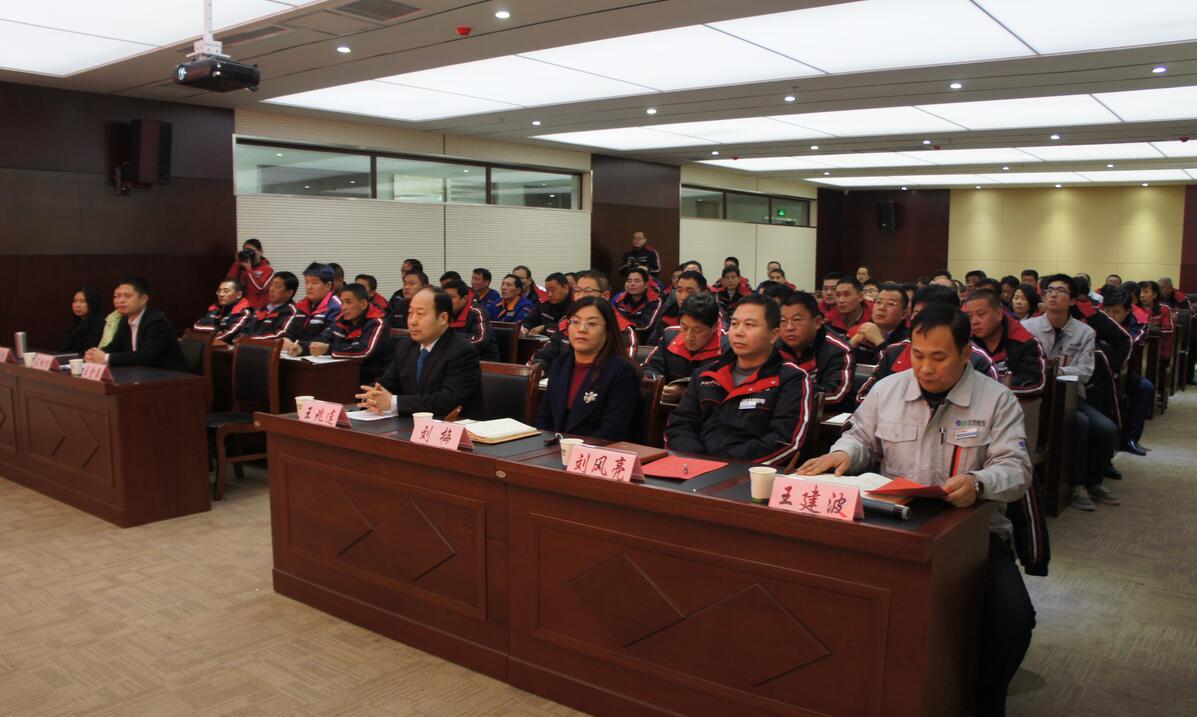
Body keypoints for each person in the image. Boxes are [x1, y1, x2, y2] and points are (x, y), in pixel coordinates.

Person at [798, 303, 1034, 717]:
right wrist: (843, 454)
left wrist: (978, 482)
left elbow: (1017, 471)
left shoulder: (996, 400)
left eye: (939, 357)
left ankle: (979, 700)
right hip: (895, 525)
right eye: (918, 355)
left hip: (972, 535)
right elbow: (860, 438)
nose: (925, 368)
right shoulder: (888, 389)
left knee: (1013, 620)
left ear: (965, 353)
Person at [665, 294, 814, 466]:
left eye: (749, 325)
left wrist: (724, 465)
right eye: (735, 324)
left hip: (750, 474)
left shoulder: (791, 379)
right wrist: (699, 462)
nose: (738, 332)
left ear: (773, 335)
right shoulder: (705, 374)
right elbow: (679, 426)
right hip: (694, 468)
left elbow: (785, 440)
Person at [1023, 275, 1120, 511]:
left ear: (1073, 300)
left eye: (1061, 291)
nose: (1053, 294)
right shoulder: (1028, 328)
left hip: (1070, 395)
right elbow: (1028, 367)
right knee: (1080, 423)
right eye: (1050, 290)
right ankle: (1076, 485)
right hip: (1038, 396)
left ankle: (1093, 481)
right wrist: (1054, 370)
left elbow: (1084, 372)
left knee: (1106, 428)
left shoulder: (1084, 332)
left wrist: (1052, 370)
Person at [356, 287, 483, 417]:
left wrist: (393, 402)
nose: (413, 321)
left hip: (453, 424)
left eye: (420, 314)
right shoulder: (405, 346)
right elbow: (389, 381)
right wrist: (373, 395)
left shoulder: (462, 351)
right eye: (410, 313)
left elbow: (446, 401)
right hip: (410, 422)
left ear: (443, 318)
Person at [856, 285, 998, 402]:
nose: (926, 369)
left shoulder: (978, 360)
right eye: (917, 314)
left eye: (939, 358)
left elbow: (990, 408)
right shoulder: (894, 352)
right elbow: (865, 398)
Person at [536, 297, 640, 441]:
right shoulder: (560, 364)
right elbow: (544, 419)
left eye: (592, 323)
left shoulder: (622, 371)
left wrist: (573, 450)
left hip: (596, 450)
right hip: (555, 448)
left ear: (608, 330)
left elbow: (612, 431)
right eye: (575, 322)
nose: (581, 329)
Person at [529, 271, 639, 368]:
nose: (580, 296)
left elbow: (624, 370)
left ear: (605, 296)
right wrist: (539, 369)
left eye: (587, 291)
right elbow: (544, 355)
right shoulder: (566, 322)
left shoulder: (623, 330)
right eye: (577, 291)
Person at [85, 277, 185, 371]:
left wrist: (106, 357)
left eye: (127, 296)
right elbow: (114, 346)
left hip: (168, 376)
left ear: (143, 299)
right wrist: (94, 354)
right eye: (118, 296)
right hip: (140, 373)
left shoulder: (156, 321)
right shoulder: (125, 319)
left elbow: (144, 356)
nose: (120, 300)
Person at [777, 291, 854, 407]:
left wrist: (785, 395)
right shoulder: (772, 346)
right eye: (783, 321)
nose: (789, 327)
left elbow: (835, 395)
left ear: (817, 322)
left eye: (797, 320)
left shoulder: (838, 349)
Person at [964, 289, 1046, 396]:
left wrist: (989, 388)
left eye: (980, 314)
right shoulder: (966, 343)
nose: (974, 321)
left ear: (999, 314)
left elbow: (1034, 383)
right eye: (969, 316)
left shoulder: (1025, 342)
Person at [1101, 287, 1152, 456]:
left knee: (1145, 387)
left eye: (1116, 312)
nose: (1110, 316)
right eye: (1107, 311)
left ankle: (1130, 439)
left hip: (1125, 370)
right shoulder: (1095, 318)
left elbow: (1130, 342)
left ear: (1127, 311)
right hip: (1098, 371)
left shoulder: (1138, 322)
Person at [643, 293, 724, 385]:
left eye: (697, 330)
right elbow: (651, 368)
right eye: (684, 328)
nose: (689, 336)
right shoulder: (669, 336)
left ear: (714, 327)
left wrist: (686, 391)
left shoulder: (727, 348)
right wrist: (658, 384)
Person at [321, 283, 392, 384]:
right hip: (345, 373)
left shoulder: (377, 322)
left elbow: (365, 351)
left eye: (348, 302)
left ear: (363, 304)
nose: (343, 308)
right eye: (342, 302)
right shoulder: (341, 320)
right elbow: (322, 339)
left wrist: (329, 349)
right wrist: (303, 348)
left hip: (372, 379)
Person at [285, 262, 342, 354]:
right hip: (296, 354)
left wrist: (301, 347)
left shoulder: (336, 307)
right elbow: (291, 331)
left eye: (314, 282)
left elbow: (325, 340)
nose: (308, 287)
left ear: (328, 285)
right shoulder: (302, 305)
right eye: (306, 282)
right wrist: (286, 340)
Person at [848, 282, 910, 365]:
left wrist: (879, 342)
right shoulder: (859, 331)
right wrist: (852, 344)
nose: (881, 308)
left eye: (890, 304)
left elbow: (896, 367)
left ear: (904, 314)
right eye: (878, 302)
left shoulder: (909, 339)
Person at [444, 278, 499, 360]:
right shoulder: (443, 313)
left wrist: (452, 342)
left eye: (451, 297)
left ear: (464, 299)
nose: (447, 301)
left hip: (482, 359)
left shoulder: (477, 312)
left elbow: (480, 340)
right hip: (456, 358)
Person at [649, 270, 709, 344]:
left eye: (689, 292)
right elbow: (653, 344)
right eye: (679, 290)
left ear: (704, 293)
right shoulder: (668, 314)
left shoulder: (712, 316)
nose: (683, 297)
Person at [194, 279, 255, 345]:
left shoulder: (244, 312)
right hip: (209, 346)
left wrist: (210, 332)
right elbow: (197, 327)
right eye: (219, 291)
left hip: (231, 350)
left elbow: (225, 335)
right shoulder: (215, 309)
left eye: (226, 291)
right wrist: (216, 330)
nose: (221, 294)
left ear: (239, 295)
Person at [224, 238, 274, 310]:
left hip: (258, 310)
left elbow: (259, 289)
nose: (249, 254)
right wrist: (237, 263)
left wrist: (249, 269)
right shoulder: (241, 267)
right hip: (241, 308)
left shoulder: (268, 270)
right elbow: (229, 283)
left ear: (260, 252)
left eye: (251, 251)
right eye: (246, 251)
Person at [250, 272, 302, 340]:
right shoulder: (261, 309)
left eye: (277, 286)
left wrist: (250, 340)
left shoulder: (292, 312)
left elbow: (281, 335)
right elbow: (245, 328)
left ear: (289, 293)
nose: (271, 289)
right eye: (271, 285)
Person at [60, 286, 105, 353]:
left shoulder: (99, 325)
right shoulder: (75, 324)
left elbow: (87, 351)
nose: (77, 305)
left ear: (93, 303)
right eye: (75, 301)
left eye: (82, 301)